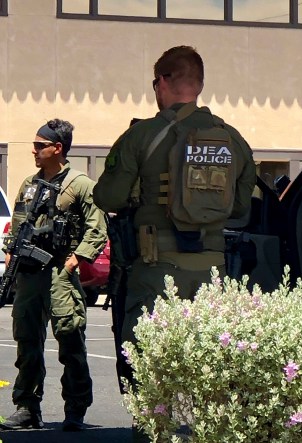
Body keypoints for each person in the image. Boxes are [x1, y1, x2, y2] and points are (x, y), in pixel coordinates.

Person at [92, 46, 256, 391]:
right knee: (207, 375)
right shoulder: (232, 139)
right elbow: (241, 208)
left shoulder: (142, 134)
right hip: (214, 271)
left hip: (156, 269)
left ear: (162, 82)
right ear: (199, 84)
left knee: (149, 373)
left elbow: (108, 197)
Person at [0, 119, 108, 432]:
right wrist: (11, 252)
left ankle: (75, 408)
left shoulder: (80, 184)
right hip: (31, 274)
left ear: (57, 148)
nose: (33, 151)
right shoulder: (30, 184)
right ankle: (27, 408)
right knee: (27, 339)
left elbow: (97, 226)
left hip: (61, 269)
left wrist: (76, 259)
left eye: (39, 146)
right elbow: (19, 223)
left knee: (69, 336)